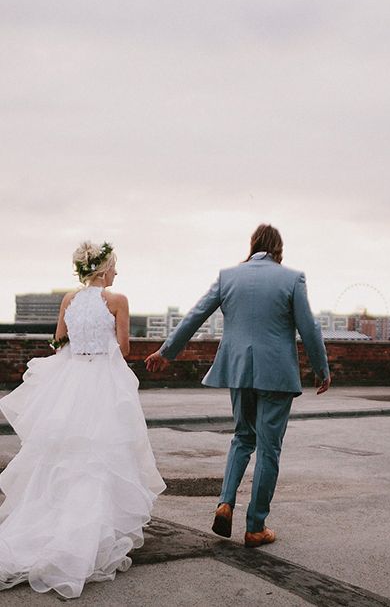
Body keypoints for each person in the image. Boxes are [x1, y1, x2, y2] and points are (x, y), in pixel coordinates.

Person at [145, 224, 330, 547]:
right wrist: (321, 368)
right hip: (277, 374)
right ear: (278, 249)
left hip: (239, 370)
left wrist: (166, 352)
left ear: (253, 245)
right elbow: (310, 328)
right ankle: (255, 526)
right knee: (269, 448)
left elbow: (195, 315)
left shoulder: (229, 276)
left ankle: (225, 502)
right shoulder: (292, 278)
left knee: (243, 437)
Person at [0, 241, 165, 599]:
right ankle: (88, 535)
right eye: (115, 267)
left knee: (62, 454)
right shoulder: (117, 300)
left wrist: (80, 347)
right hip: (101, 380)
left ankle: (48, 527)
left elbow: (59, 340)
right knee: (101, 455)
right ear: (104, 269)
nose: (117, 273)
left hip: (72, 379)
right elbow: (123, 348)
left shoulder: (68, 300)